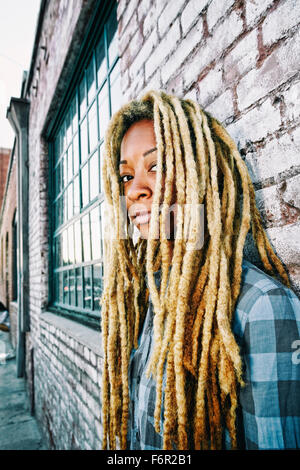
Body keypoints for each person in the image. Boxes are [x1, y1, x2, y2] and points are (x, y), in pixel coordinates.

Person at [100, 90, 300, 450]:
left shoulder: (263, 310)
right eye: (126, 177)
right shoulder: (150, 301)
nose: (134, 191)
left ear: (200, 174)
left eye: (156, 166)